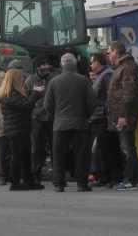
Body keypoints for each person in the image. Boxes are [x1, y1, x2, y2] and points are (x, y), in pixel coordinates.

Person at [44, 53, 96, 193]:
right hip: (80, 124)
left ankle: (59, 184)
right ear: (75, 64)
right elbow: (92, 102)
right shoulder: (84, 80)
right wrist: (85, 115)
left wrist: (55, 117)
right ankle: (82, 184)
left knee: (59, 155)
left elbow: (47, 104)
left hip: (60, 125)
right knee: (81, 155)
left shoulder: (54, 81)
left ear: (61, 64)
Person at [0, 69, 45, 191]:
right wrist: (35, 93)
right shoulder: (12, 94)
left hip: (18, 128)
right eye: (20, 78)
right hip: (17, 129)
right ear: (15, 80)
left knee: (24, 156)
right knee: (17, 156)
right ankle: (15, 182)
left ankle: (28, 181)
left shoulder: (9, 93)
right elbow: (25, 106)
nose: (23, 79)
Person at [107, 41, 138, 191]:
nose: (108, 55)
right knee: (124, 148)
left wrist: (123, 115)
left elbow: (129, 94)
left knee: (128, 148)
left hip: (125, 116)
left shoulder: (127, 68)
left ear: (115, 51)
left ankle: (130, 179)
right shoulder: (121, 67)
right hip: (119, 115)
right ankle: (126, 178)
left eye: (109, 52)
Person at [89, 52, 123, 188]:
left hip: (104, 117)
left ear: (97, 62)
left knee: (110, 148)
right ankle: (105, 177)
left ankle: (114, 177)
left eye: (92, 62)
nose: (91, 65)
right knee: (102, 149)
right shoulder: (101, 75)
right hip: (98, 117)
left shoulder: (107, 75)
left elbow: (111, 97)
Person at [24, 54, 55, 185]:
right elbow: (25, 99)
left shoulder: (54, 79)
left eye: (47, 64)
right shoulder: (30, 80)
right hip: (37, 119)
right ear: (38, 66)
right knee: (37, 148)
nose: (46, 67)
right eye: (43, 65)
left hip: (52, 117)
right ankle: (36, 174)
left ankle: (58, 175)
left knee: (55, 147)